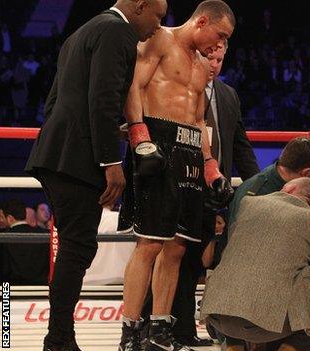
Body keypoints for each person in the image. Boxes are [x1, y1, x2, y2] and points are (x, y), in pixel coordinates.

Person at [24, 1, 167, 349]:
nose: (158, 27)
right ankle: (58, 339)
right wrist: (110, 161)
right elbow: (102, 98)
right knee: (77, 248)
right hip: (77, 159)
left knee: (76, 246)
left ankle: (60, 337)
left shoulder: (82, 32)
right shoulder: (117, 31)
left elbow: (57, 100)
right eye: (157, 17)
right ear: (139, 5)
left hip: (59, 152)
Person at [117, 1, 235, 350]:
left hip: (189, 151)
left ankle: (160, 331)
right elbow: (133, 87)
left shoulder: (201, 66)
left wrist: (211, 166)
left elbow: (199, 120)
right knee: (149, 244)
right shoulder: (160, 40)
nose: (219, 46)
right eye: (220, 35)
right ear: (202, 21)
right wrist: (139, 134)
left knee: (177, 248)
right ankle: (130, 332)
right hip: (157, 141)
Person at [166, 39, 259, 347]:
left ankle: (184, 331)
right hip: (182, 185)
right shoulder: (178, 87)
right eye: (209, 58)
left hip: (214, 191)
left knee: (196, 262)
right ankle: (165, 328)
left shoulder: (228, 95)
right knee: (176, 257)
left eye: (219, 59)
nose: (214, 65)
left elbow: (240, 144)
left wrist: (256, 185)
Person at [201, 178, 310, 350]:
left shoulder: (248, 203)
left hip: (217, 318)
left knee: (234, 268)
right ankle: (290, 347)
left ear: (289, 189)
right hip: (266, 326)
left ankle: (234, 345)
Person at [0, 198, 49, 285]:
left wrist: (5, 295)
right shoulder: (45, 235)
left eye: (1, 217)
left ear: (10, 218)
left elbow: (4, 270)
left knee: (6, 297)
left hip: (10, 289)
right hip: (41, 289)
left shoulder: (3, 238)